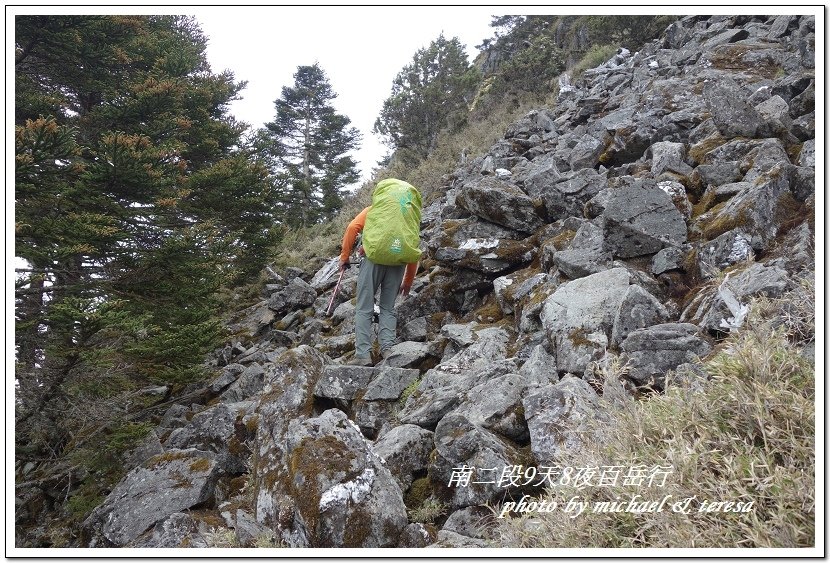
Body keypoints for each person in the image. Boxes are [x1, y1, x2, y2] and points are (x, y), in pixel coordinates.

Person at [339, 181, 420, 366]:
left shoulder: (373, 210)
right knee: (388, 308)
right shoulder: (408, 216)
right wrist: (408, 280)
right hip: (397, 263)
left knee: (364, 307)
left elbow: (352, 228)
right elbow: (412, 246)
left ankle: (363, 355)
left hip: (372, 261)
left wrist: (344, 256)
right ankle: (388, 349)